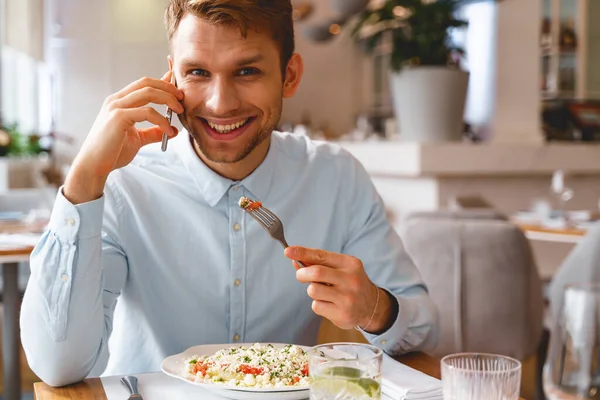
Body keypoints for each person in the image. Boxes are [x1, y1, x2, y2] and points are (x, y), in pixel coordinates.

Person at [20, 0, 438, 387]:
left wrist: (374, 309)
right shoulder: (123, 182)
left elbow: (424, 327)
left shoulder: (336, 177)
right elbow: (59, 365)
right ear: (173, 77)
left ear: (289, 75)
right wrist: (83, 181)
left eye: (247, 71)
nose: (220, 104)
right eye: (198, 73)